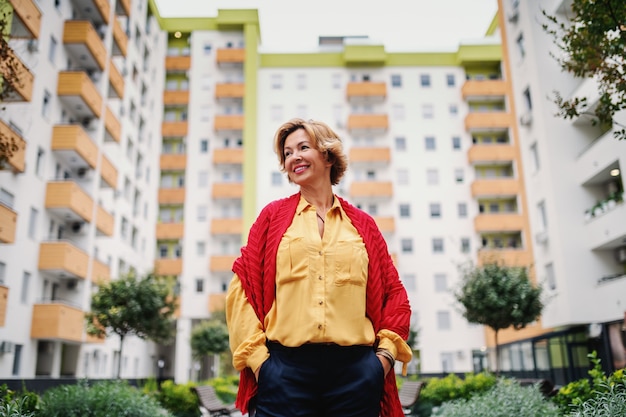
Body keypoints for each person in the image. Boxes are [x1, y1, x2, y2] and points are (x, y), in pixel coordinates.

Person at [225, 118, 412, 417]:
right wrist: (261, 363)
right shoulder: (272, 218)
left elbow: (394, 295)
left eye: (303, 147)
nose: (293, 157)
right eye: (287, 153)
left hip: (356, 375)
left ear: (327, 155)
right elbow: (241, 292)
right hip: (283, 372)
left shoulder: (363, 225)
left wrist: (382, 361)